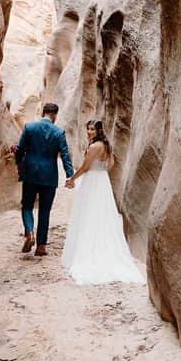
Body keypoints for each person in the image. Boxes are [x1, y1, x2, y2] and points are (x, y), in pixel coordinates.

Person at [61, 119, 145, 285]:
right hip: (102, 181)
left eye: (92, 129)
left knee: (89, 214)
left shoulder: (94, 147)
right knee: (102, 214)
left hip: (92, 180)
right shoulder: (107, 146)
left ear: (98, 130)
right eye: (88, 129)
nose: (89, 132)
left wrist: (72, 179)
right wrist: (100, 172)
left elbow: (85, 167)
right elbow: (111, 164)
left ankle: (88, 253)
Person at [13, 102, 74, 256]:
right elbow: (65, 155)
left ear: (43, 113)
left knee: (27, 205)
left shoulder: (29, 127)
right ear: (54, 115)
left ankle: (29, 233)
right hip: (49, 176)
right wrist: (69, 175)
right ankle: (41, 246)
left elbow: (19, 149)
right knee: (45, 210)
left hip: (30, 173)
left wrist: (18, 162)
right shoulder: (59, 132)